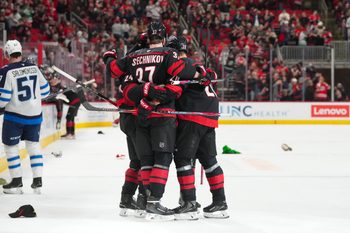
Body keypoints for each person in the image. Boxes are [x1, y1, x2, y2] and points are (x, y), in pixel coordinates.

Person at [103, 21, 188, 221]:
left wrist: (109, 58)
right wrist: (200, 73)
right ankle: (152, 202)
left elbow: (114, 71)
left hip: (135, 114)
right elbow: (181, 78)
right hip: (160, 114)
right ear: (164, 38)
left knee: (143, 160)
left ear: (147, 38)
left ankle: (140, 199)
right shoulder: (168, 54)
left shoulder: (132, 57)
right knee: (160, 158)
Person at [167, 36, 229, 219]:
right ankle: (220, 203)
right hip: (209, 116)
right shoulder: (195, 65)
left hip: (193, 116)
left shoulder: (178, 67)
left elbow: (173, 92)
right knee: (210, 161)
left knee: (183, 159)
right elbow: (209, 75)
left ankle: (189, 204)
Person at [0, 40, 50, 194]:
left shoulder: (6, 71)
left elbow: (3, 99)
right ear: (20, 52)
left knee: (11, 148)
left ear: (7, 54)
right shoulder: (34, 68)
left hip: (15, 117)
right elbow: (46, 91)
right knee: (33, 146)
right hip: (35, 116)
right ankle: (37, 181)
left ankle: (16, 181)